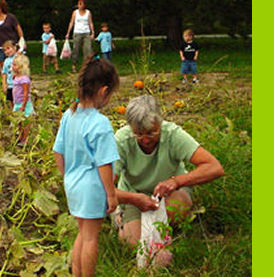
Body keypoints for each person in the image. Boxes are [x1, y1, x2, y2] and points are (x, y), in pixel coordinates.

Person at [113, 95, 224, 265]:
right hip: (133, 195)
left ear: (160, 123)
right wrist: (134, 199)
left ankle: (160, 230)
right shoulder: (121, 140)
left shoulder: (173, 134)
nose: (146, 139)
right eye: (139, 134)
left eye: (151, 132)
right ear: (131, 128)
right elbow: (102, 186)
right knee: (135, 244)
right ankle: (123, 219)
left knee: (177, 209)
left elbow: (214, 167)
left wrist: (177, 181)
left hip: (170, 194)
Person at [53, 54, 120, 277]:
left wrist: (67, 177)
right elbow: (104, 163)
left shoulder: (68, 115)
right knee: (91, 238)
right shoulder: (100, 123)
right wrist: (111, 194)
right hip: (91, 188)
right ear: (103, 91)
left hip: (73, 185)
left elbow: (58, 152)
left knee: (82, 234)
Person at [65, 0, 94, 73]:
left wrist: (92, 32)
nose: (79, 5)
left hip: (86, 33)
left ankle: (86, 66)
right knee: (76, 49)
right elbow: (71, 22)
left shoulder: (88, 12)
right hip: (77, 32)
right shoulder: (75, 12)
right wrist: (68, 33)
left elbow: (90, 22)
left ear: (84, 4)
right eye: (78, 4)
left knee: (88, 49)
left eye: (81, 4)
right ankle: (74, 65)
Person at [11, 54, 34, 147]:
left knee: (25, 122)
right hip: (17, 103)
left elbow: (26, 93)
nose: (12, 66)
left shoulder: (24, 79)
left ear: (21, 66)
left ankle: (25, 139)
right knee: (18, 122)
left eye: (15, 65)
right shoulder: (16, 77)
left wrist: (23, 105)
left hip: (23, 104)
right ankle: (20, 137)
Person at [2, 40, 17, 109]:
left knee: (19, 100)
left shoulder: (19, 58)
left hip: (18, 84)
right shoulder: (6, 61)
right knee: (11, 100)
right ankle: (13, 113)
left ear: (14, 48)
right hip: (10, 85)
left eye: (8, 48)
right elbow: (4, 73)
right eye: (5, 50)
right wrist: (4, 84)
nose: (7, 51)